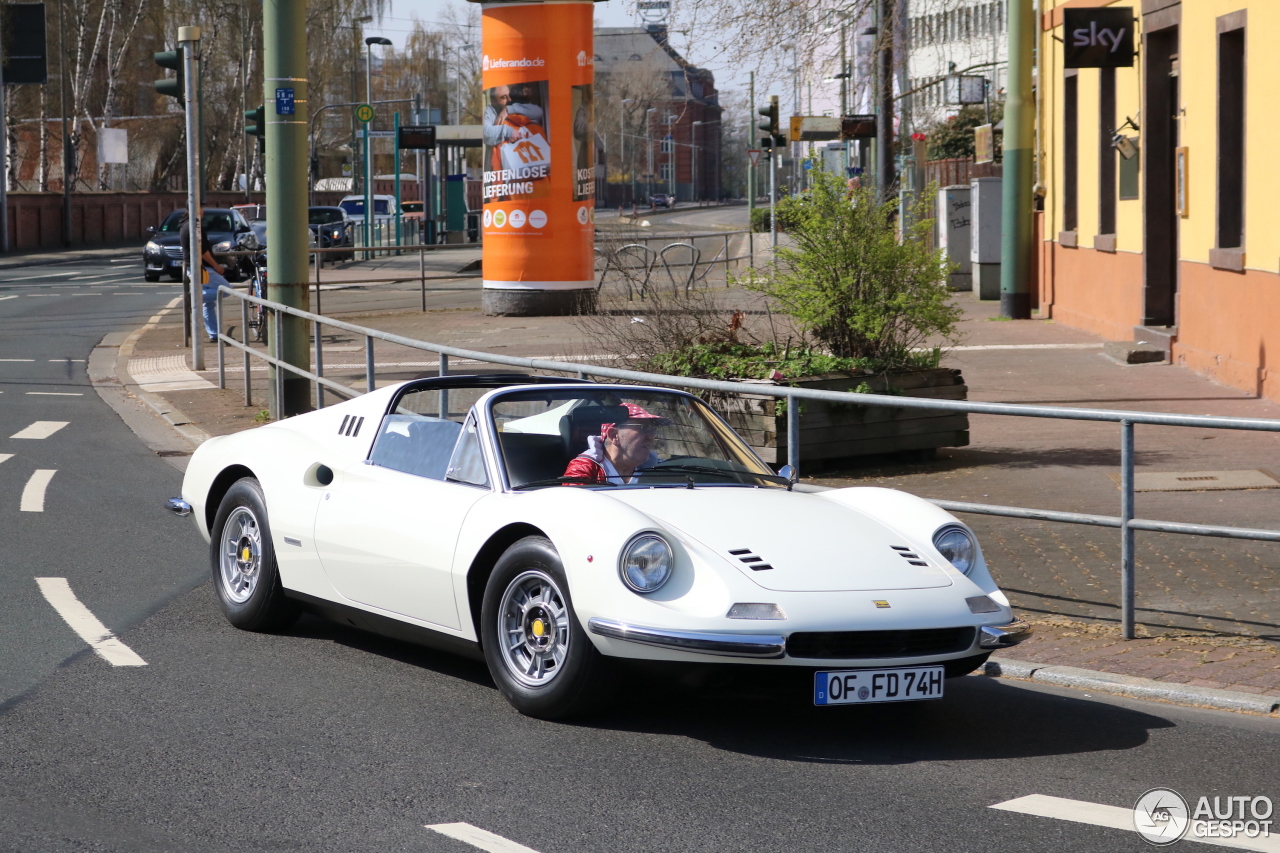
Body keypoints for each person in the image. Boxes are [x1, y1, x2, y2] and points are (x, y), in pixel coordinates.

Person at [563, 403, 667, 485]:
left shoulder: (660, 470)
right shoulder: (584, 470)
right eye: (643, 428)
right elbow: (574, 508)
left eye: (652, 430)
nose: (651, 437)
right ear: (614, 435)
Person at [178, 209, 230, 343]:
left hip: (196, 268)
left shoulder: (186, 224)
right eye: (200, 208)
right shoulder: (193, 226)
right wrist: (216, 265)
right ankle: (194, 297)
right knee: (226, 289)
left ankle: (214, 333)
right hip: (202, 268)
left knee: (208, 304)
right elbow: (201, 250)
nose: (202, 211)